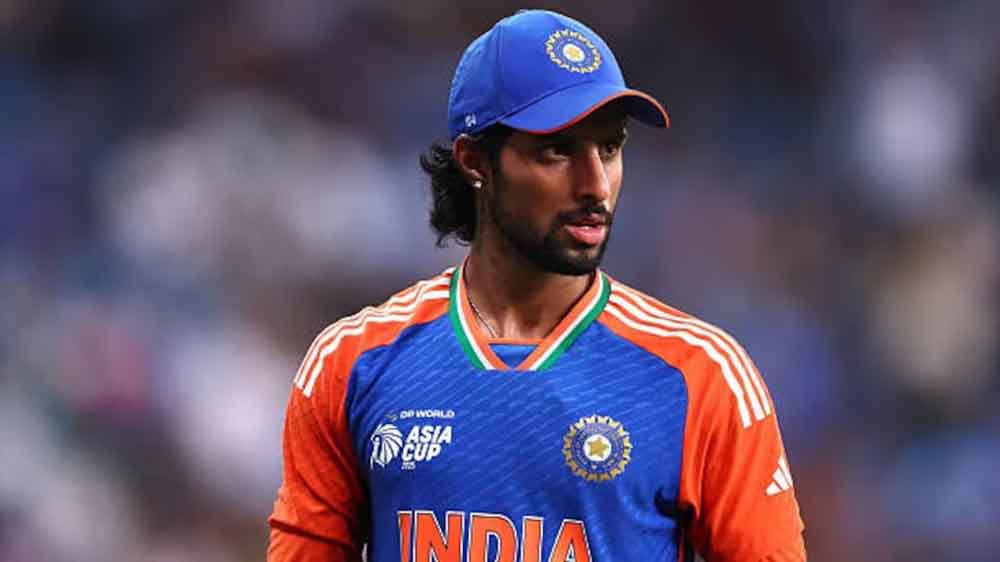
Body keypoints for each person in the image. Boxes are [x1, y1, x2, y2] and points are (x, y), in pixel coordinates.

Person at [267, 9, 806, 562]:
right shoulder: (354, 363)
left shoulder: (700, 375)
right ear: (475, 161)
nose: (595, 185)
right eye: (558, 151)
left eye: (610, 149)